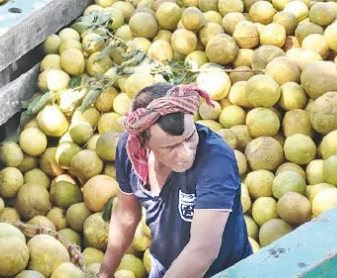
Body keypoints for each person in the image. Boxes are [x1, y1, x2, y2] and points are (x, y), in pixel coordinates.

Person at [100, 83, 252, 278]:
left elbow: (203, 250)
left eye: (190, 136)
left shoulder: (216, 161)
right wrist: (105, 272)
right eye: (170, 147)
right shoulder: (129, 151)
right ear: (143, 143)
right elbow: (125, 215)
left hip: (228, 272)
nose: (186, 153)